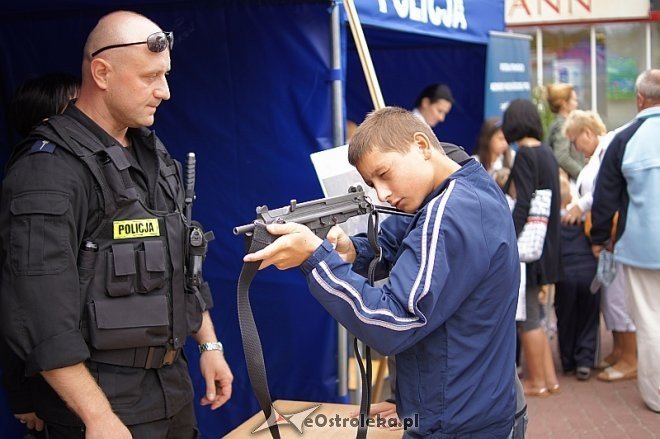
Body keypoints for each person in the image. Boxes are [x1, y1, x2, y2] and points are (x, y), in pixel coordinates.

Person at [0, 11, 233, 438]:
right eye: (149, 77)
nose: (164, 91)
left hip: (173, 391)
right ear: (102, 73)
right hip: (104, 407)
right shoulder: (49, 169)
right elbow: (39, 311)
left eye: (165, 75)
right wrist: (96, 416)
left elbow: (181, 266)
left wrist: (209, 344)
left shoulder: (152, 153)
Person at [244, 106, 519, 437]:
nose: (382, 194)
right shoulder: (464, 185)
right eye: (371, 183)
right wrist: (352, 249)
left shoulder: (448, 212)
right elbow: (406, 243)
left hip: (458, 425)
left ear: (421, 145)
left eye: (384, 173)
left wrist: (316, 259)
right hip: (470, 411)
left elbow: (393, 322)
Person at [1, 72, 81, 438]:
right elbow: (19, 304)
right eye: (74, 106)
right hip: (47, 388)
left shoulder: (84, 177)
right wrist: (22, 397)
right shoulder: (32, 179)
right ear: (46, 118)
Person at [591, 69, 660, 412]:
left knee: (648, 320)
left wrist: (600, 238)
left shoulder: (624, 138)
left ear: (639, 99)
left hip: (641, 248)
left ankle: (656, 395)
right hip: (640, 248)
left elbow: (605, 197)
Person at [562, 109, 637, 382]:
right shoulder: (599, 154)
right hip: (603, 235)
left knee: (617, 295)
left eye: (574, 140)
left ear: (587, 133)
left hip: (609, 236)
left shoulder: (606, 151)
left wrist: (579, 206)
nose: (575, 146)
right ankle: (621, 350)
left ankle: (630, 355)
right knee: (610, 295)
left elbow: (603, 192)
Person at [503, 99, 562, 397]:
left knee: (528, 317)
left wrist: (507, 238)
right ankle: (549, 379)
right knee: (538, 313)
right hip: (548, 244)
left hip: (528, 249)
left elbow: (523, 202)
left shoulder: (524, 155)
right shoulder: (547, 153)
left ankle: (537, 381)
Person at [553, 171, 600, 381]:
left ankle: (568, 360)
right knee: (589, 317)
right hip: (589, 272)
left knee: (566, 318)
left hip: (566, 275)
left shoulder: (553, 226)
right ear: (571, 198)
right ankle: (585, 360)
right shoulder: (582, 220)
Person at [546, 83, 584, 180]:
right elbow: (562, 156)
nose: (577, 103)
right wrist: (582, 174)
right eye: (574, 100)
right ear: (564, 103)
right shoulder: (562, 126)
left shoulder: (558, 123)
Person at [473, 117, 514, 181]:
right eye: (501, 139)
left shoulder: (512, 157)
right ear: (488, 139)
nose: (505, 143)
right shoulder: (475, 162)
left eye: (507, 139)